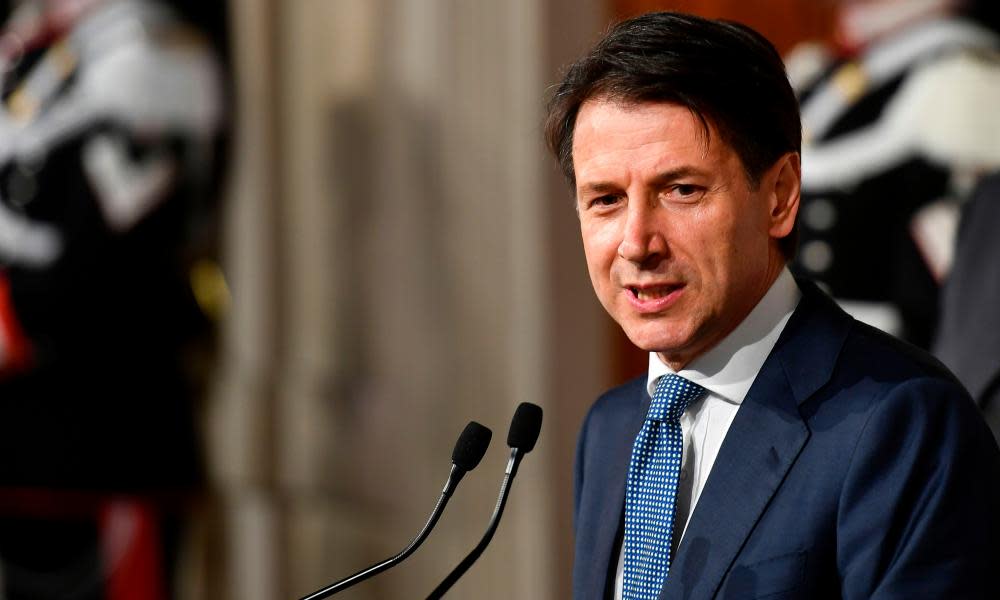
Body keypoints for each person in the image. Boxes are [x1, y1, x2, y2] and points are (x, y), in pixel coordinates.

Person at [544, 12, 1000, 600]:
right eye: (605, 200)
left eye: (681, 190)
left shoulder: (903, 423)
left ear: (780, 196)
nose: (637, 242)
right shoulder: (609, 428)